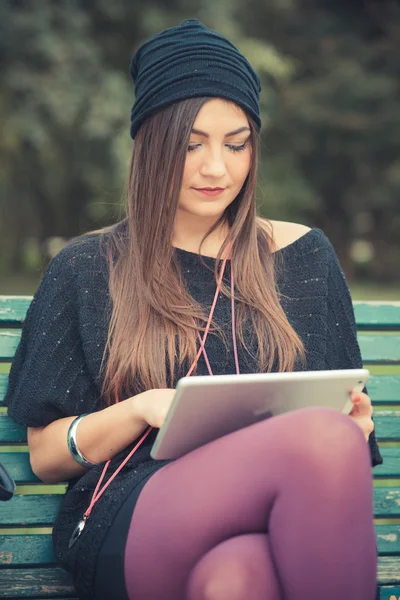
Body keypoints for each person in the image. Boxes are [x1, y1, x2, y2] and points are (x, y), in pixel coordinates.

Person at [4, 18, 383, 600]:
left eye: (237, 144)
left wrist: (352, 429)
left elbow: (335, 421)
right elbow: (47, 454)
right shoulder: (87, 266)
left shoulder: (305, 257)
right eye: (191, 145)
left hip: (262, 523)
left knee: (238, 579)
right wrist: (141, 409)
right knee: (321, 442)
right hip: (133, 515)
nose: (217, 168)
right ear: (151, 146)